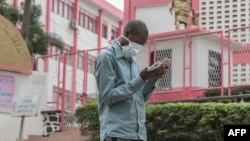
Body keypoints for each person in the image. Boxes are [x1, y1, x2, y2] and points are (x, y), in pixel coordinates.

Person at [94, 19, 170, 141]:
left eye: (141, 45)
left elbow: (140, 96)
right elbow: (107, 97)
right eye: (137, 42)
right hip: (117, 134)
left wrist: (152, 78)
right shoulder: (107, 58)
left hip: (138, 135)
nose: (137, 48)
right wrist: (141, 78)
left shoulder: (133, 61)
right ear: (127, 33)